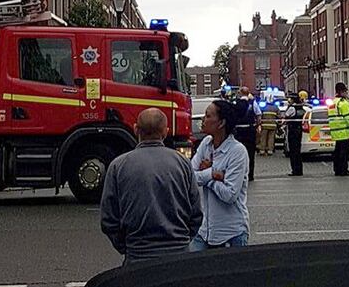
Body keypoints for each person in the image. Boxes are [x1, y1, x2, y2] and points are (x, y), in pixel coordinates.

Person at [100, 108, 203, 264]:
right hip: (178, 256)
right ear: (166, 132)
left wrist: (127, 246)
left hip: (138, 256)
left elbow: (109, 219)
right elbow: (196, 213)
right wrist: (182, 240)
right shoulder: (182, 163)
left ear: (136, 129)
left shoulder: (118, 166)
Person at [190, 100, 250, 251]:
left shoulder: (237, 152)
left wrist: (207, 179)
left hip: (231, 234)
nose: (203, 120)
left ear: (221, 123)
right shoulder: (206, 144)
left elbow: (230, 195)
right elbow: (190, 177)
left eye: (208, 116)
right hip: (205, 232)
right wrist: (212, 174)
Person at [328, 82, 349, 177]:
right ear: (341, 92)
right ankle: (343, 170)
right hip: (344, 131)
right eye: (345, 91)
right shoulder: (343, 103)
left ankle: (337, 169)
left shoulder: (333, 103)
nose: (346, 93)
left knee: (337, 152)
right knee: (344, 153)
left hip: (336, 132)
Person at [233, 86, 260, 181]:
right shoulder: (253, 103)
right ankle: (250, 175)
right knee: (250, 154)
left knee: (238, 154)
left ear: (240, 93)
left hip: (239, 132)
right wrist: (256, 126)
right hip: (250, 131)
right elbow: (258, 115)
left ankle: (240, 175)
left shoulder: (236, 103)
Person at [284, 91, 308, 176]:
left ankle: (295, 170)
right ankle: (299, 169)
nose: (289, 100)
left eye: (290, 98)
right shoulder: (302, 109)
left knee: (293, 152)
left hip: (293, 131)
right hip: (299, 131)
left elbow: (286, 116)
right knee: (298, 151)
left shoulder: (291, 108)